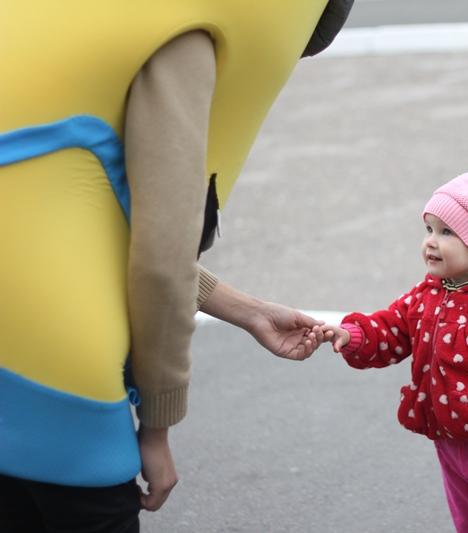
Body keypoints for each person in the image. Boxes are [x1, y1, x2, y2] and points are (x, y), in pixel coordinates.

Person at [0, 1, 352, 531]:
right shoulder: (186, 28)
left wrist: (246, 309)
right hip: (50, 366)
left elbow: (65, 199)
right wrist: (158, 426)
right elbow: (162, 254)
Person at [324, 172, 468, 533]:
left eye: (447, 232)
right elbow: (393, 327)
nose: (431, 242)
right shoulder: (430, 293)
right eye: (430, 229)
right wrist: (353, 334)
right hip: (451, 440)